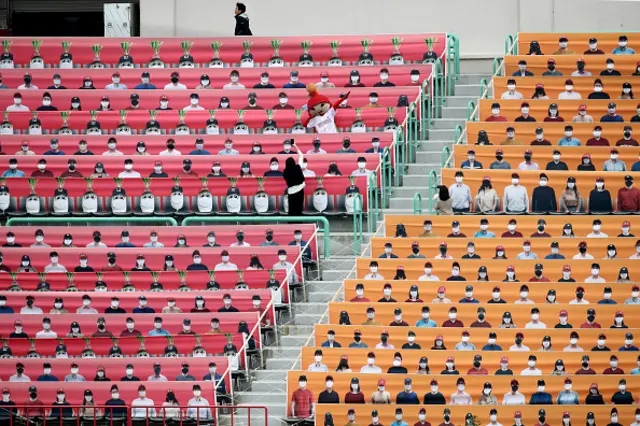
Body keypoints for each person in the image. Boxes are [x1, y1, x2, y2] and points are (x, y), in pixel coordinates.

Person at [283, 150, 305, 216]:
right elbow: (301, 155)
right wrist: (295, 145)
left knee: (292, 208)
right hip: (300, 191)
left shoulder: (285, 172)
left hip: (291, 192)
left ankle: (291, 223)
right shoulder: (297, 168)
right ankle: (299, 222)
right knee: (299, 207)